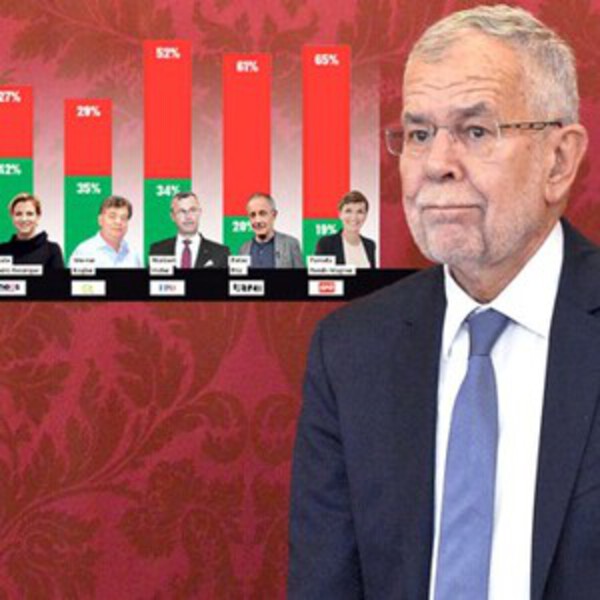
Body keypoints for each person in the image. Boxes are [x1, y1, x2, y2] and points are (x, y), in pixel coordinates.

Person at [289, 5, 597, 600]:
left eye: (476, 132)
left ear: (558, 160)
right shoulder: (351, 351)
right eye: (420, 134)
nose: (436, 165)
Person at [149, 191, 230, 268]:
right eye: (182, 211)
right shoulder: (158, 251)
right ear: (172, 216)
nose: (188, 217)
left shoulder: (221, 253)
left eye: (192, 210)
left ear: (199, 213)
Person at [69, 195, 142, 268]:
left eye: (123, 218)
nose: (118, 222)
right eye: (112, 216)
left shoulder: (133, 254)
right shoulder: (84, 252)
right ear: (100, 220)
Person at [238, 192, 304, 268]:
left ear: (274, 215)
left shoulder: (290, 244)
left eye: (262, 213)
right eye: (253, 215)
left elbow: (300, 274)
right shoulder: (243, 249)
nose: (257, 220)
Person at [0, 193, 64, 268]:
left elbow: (57, 276)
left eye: (29, 214)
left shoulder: (52, 250)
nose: (24, 219)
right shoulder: (2, 251)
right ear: (12, 217)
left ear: (38, 217)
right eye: (18, 214)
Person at [315, 190, 376, 267]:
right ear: (340, 214)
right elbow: (319, 273)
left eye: (360, 212)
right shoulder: (326, 244)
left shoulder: (370, 245)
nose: (354, 217)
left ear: (366, 215)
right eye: (348, 211)